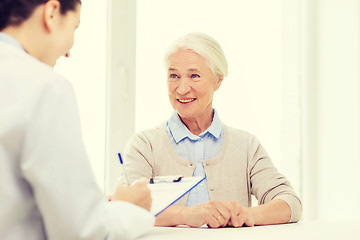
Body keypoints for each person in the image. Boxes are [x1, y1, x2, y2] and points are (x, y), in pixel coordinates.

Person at [0, 0, 154, 239]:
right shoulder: (43, 86)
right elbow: (82, 231)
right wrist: (127, 208)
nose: (69, 51)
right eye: (74, 27)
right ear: (52, 13)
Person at [118, 32, 302, 228]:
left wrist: (247, 214)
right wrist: (184, 215)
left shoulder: (246, 146)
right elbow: (124, 209)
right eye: (174, 76)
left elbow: (290, 203)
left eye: (194, 75)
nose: (181, 89)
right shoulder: (145, 145)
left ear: (218, 80)